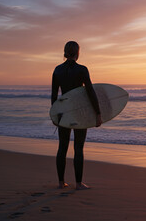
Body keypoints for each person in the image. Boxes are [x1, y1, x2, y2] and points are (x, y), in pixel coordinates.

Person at [51, 41, 102, 190]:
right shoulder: (82, 70)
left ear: (65, 52)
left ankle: (61, 182)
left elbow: (54, 95)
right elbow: (90, 92)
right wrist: (97, 113)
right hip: (79, 113)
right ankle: (78, 184)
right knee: (78, 148)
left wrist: (54, 115)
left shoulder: (57, 70)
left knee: (62, 146)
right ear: (77, 53)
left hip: (63, 112)